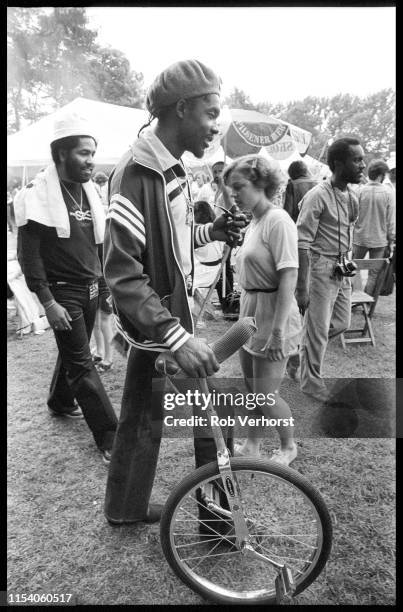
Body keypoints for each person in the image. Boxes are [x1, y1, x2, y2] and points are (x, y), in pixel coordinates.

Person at [103, 59, 245, 526]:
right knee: (211, 414)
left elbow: (172, 245)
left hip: (164, 323)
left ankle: (126, 509)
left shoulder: (172, 169)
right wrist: (178, 339)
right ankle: (218, 521)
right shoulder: (135, 173)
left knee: (144, 419)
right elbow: (124, 276)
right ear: (181, 108)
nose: (215, 125)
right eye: (210, 113)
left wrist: (215, 231)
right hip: (161, 327)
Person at [14, 112, 118, 464]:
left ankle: (60, 401)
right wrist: (48, 301)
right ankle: (110, 437)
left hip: (89, 288)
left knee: (73, 352)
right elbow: (29, 257)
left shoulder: (90, 193)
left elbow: (97, 247)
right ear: (60, 153)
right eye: (83, 153)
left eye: (93, 153)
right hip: (62, 293)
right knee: (82, 361)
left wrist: (103, 290)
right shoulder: (36, 195)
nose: (91, 161)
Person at [222, 155, 300, 465]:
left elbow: (289, 275)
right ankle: (253, 444)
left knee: (265, 394)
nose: (234, 195)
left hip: (273, 314)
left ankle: (289, 445)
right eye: (231, 189)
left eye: (238, 187)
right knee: (253, 388)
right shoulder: (254, 220)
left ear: (261, 184)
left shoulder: (277, 220)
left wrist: (278, 332)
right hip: (250, 313)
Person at [296, 137, 365, 402]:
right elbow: (302, 243)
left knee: (340, 323)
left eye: (362, 159)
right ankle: (311, 383)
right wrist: (302, 287)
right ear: (338, 163)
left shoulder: (352, 196)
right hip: (320, 268)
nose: (362, 165)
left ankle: (297, 355)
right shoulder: (316, 196)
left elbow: (348, 229)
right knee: (317, 328)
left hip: (341, 267)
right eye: (356, 160)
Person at [353, 159, 395, 295]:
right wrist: (391, 240)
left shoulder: (359, 191)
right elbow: (391, 221)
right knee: (373, 274)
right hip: (379, 240)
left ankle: (353, 298)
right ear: (381, 175)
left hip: (359, 237)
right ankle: (367, 302)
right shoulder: (389, 193)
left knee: (353, 269)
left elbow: (352, 216)